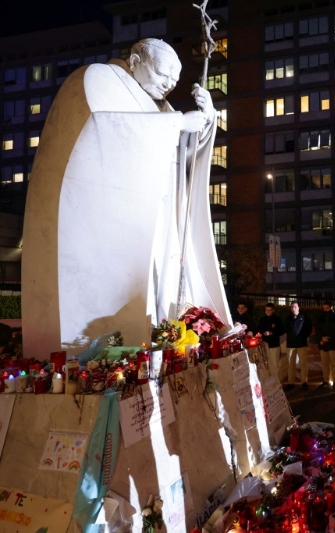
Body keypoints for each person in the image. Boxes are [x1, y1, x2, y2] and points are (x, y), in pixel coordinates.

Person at [22, 38, 230, 356]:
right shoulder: (99, 79)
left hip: (160, 209)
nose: (168, 85)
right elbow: (102, 130)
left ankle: (163, 338)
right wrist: (177, 124)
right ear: (134, 62)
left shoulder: (162, 107)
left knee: (161, 281)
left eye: (174, 81)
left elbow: (183, 159)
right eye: (162, 75)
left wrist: (205, 120)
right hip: (117, 215)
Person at [284, 301, 313, 389]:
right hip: (291, 344)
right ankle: (290, 383)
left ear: (298, 307)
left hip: (302, 344)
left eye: (295, 307)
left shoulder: (303, 318)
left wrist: (303, 336)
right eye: (292, 307)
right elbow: (285, 328)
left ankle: (304, 382)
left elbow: (309, 328)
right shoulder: (288, 318)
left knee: (303, 364)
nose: (293, 308)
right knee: (291, 365)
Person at [256, 303, 285, 382]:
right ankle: (268, 382)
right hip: (264, 345)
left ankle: (277, 381)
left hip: (274, 345)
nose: (268, 312)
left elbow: (282, 331)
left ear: (273, 310)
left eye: (270, 310)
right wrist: (263, 333)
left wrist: (272, 333)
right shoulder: (262, 320)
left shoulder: (277, 319)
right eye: (266, 310)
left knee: (275, 364)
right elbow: (258, 329)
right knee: (265, 364)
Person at [316, 301, 335, 388]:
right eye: (324, 308)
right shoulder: (320, 317)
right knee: (325, 363)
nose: (325, 310)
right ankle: (326, 380)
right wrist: (321, 338)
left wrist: (327, 338)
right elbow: (317, 329)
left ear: (331, 307)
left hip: (332, 343)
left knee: (334, 363)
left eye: (327, 308)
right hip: (323, 344)